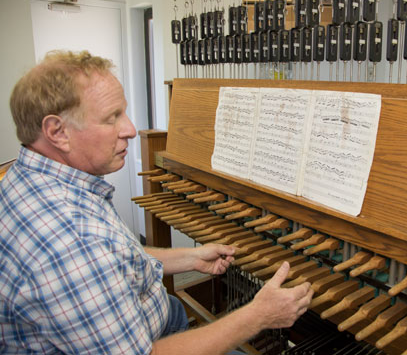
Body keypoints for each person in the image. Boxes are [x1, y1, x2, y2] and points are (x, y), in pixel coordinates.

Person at [0, 50, 313, 354]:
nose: (131, 129)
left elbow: (113, 259)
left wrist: (188, 258)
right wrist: (258, 316)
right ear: (57, 132)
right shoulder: (73, 240)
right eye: (112, 118)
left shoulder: (29, 177)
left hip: (159, 321)